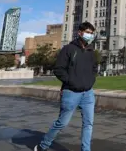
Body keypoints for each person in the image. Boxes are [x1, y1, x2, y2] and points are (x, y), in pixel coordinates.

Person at [35, 22, 99, 151]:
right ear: (79, 33)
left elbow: (94, 68)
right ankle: (43, 146)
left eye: (92, 33)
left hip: (88, 93)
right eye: (87, 32)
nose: (90, 35)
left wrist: (91, 80)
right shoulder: (69, 49)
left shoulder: (91, 51)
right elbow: (59, 69)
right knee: (61, 123)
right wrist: (71, 82)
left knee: (88, 124)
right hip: (71, 92)